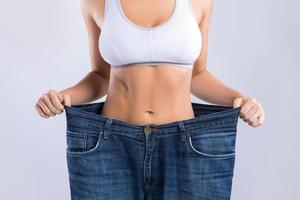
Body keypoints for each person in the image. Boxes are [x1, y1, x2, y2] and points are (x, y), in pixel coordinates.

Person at [35, 0, 265, 199]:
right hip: (111, 143)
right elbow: (101, 76)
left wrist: (242, 99)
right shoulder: (97, 2)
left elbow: (198, 75)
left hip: (185, 145)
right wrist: (63, 97)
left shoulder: (199, 1)